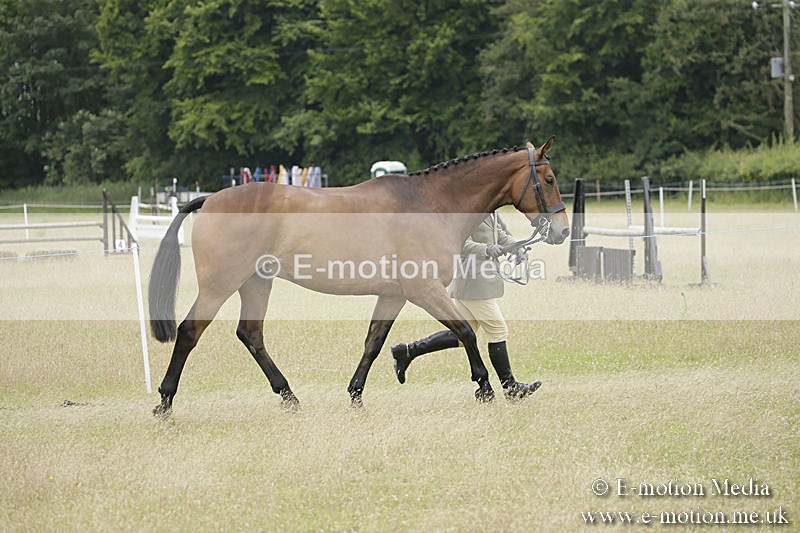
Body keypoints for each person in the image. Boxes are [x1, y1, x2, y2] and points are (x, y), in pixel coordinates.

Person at [391, 213, 542, 400]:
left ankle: (408, 351)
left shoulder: (489, 209)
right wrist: (487, 249)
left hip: (479, 282)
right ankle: (510, 388)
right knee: (498, 330)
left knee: (462, 335)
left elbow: (499, 234)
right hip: (473, 283)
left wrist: (517, 247)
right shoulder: (466, 212)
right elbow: (461, 243)